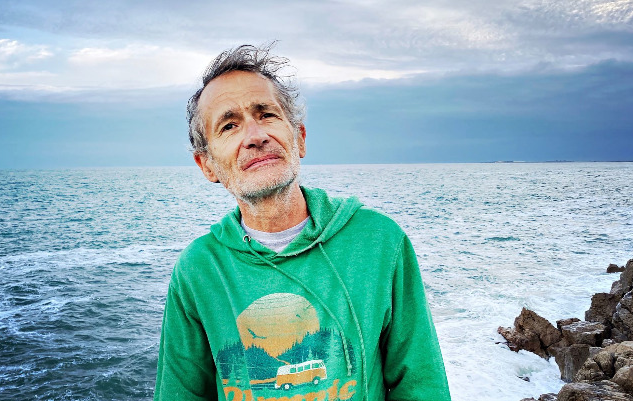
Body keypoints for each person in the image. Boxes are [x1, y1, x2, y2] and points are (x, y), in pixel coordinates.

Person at [154, 44, 450, 401]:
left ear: (300, 138)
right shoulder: (198, 270)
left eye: (266, 114)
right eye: (229, 125)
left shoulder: (380, 242)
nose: (255, 136)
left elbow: (422, 385)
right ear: (207, 165)